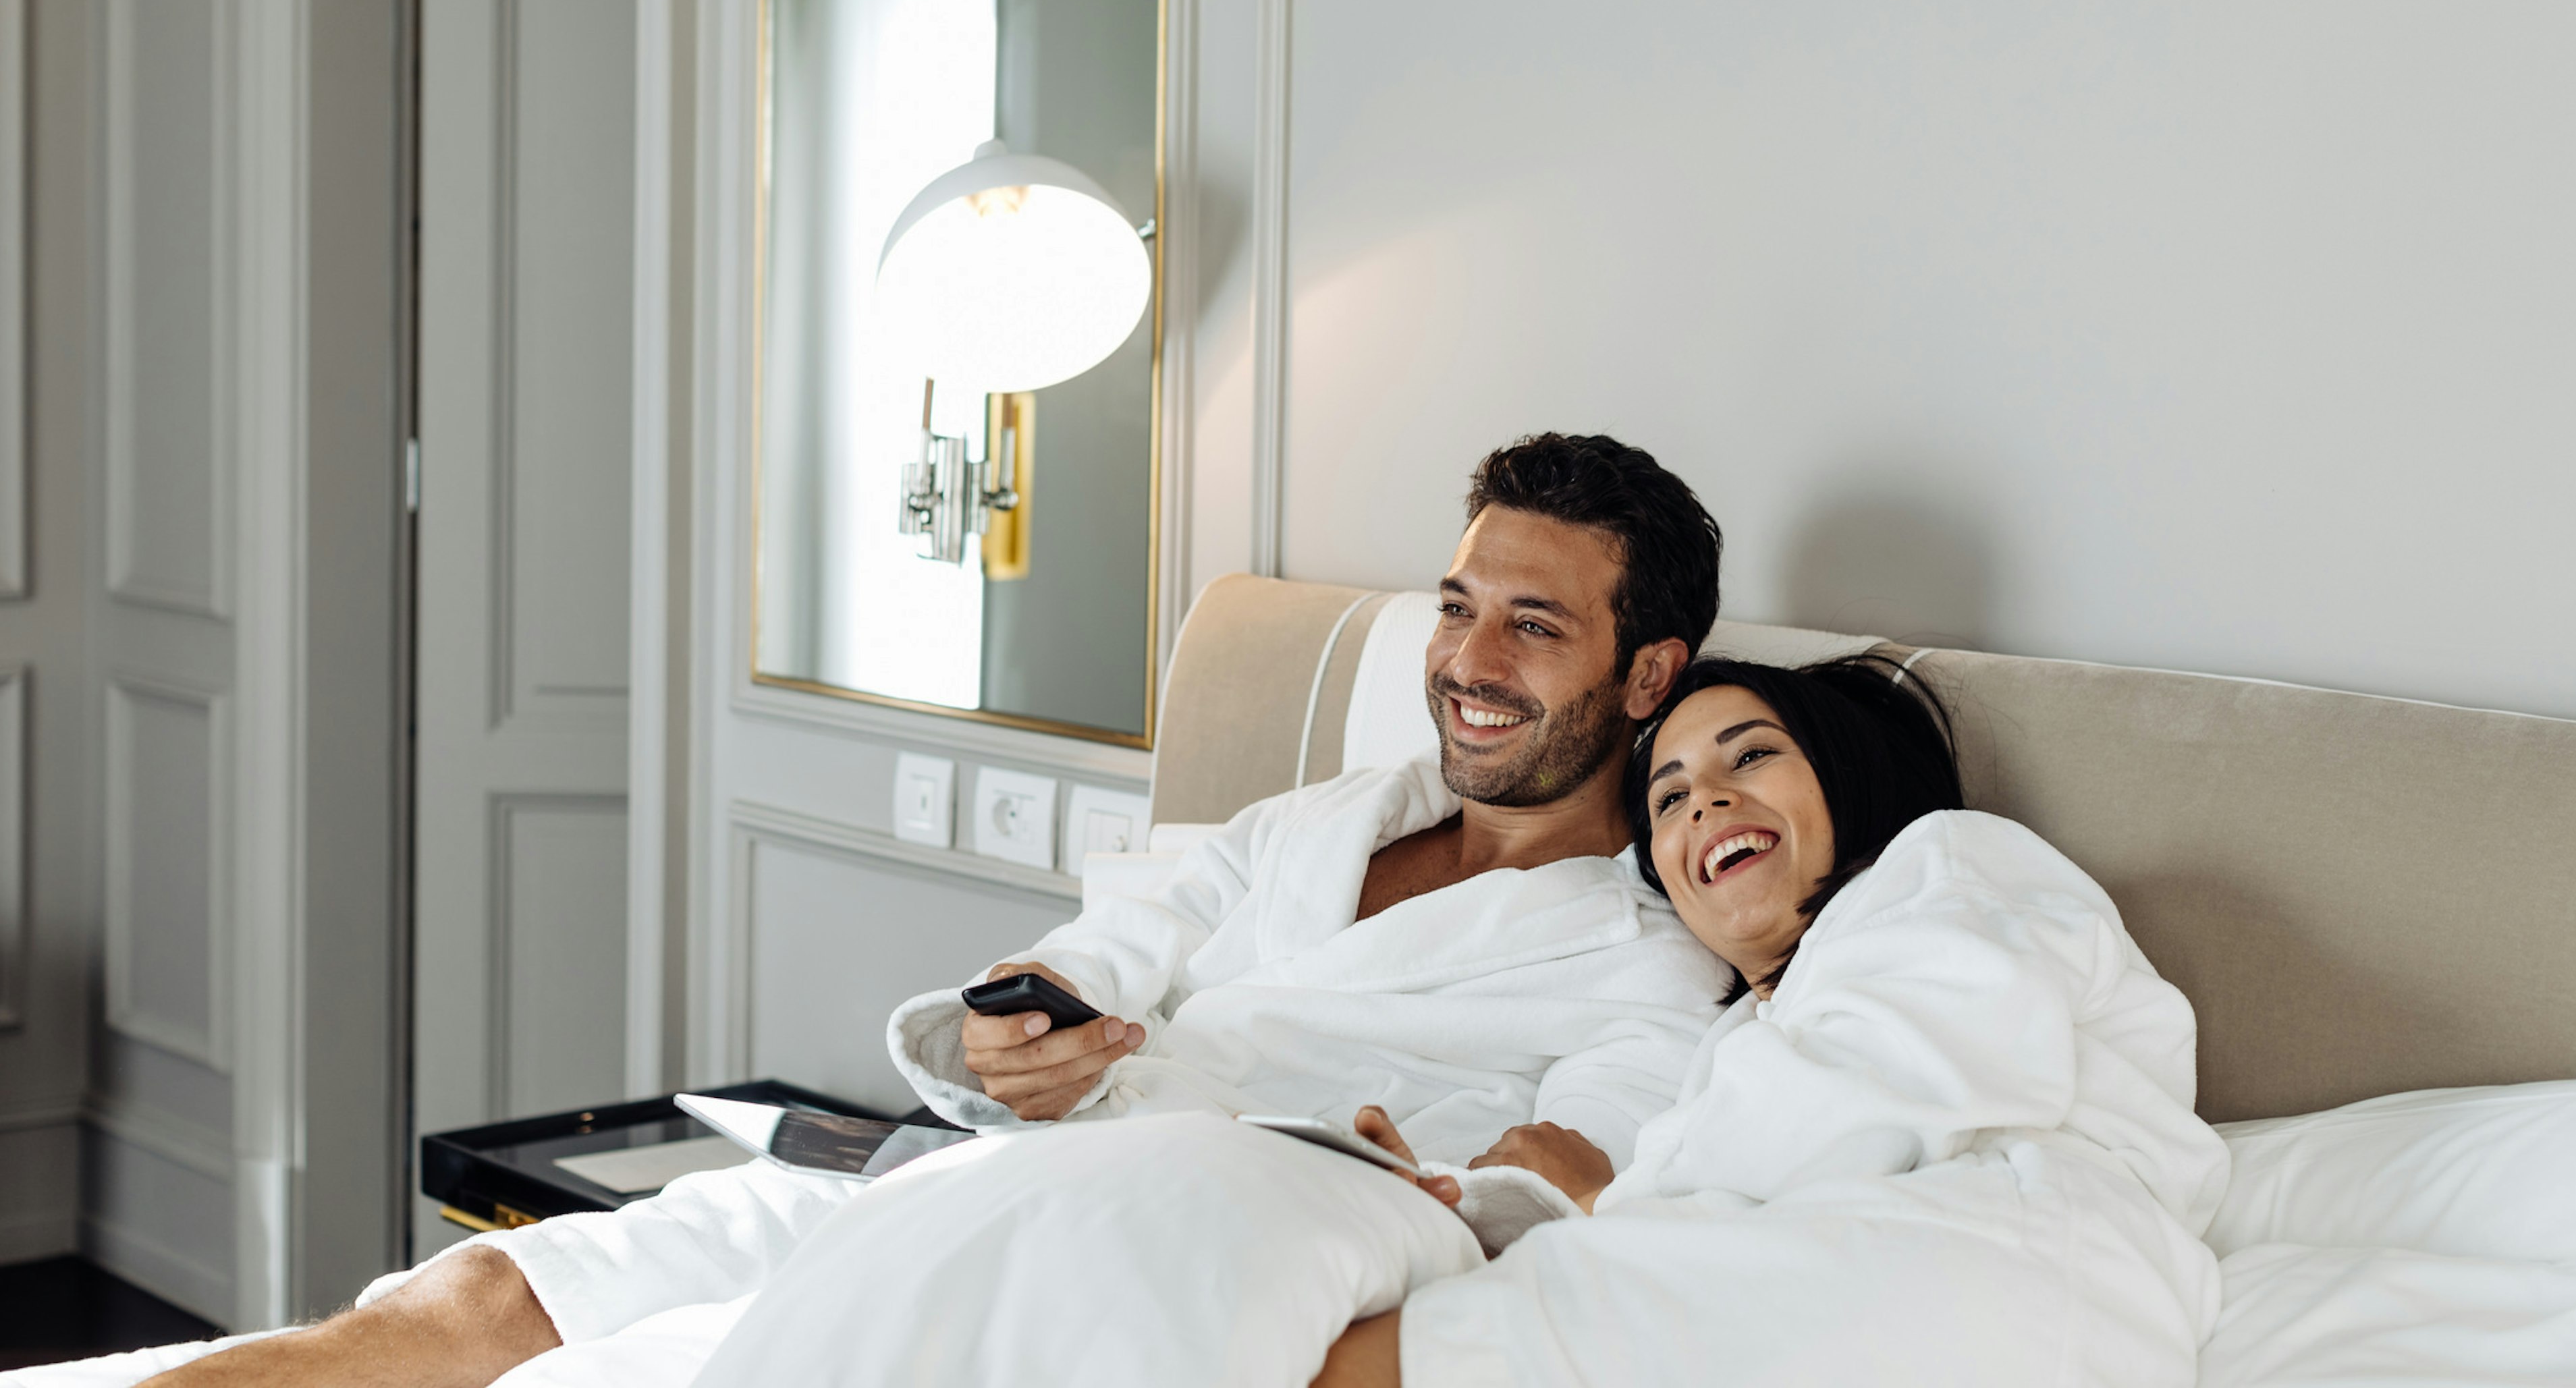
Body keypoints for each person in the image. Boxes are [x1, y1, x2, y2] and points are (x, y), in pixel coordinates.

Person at [132, 433, 1735, 1388]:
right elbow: (1088, 963)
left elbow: (1578, 1174)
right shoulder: (1320, 822)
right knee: (483, 1293)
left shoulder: (1645, 955)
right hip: (996, 1160)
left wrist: (1446, 1173)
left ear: (1649, 670)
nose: (1469, 660)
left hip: (1183, 1232)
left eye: (1535, 624)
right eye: (1459, 606)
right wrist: (1016, 1024)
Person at [1315, 654, 2230, 1387]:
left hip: (2026, 1252)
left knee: (1435, 1348)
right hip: (1859, 1261)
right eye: (1669, 799)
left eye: (1750, 756)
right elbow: (1722, 1190)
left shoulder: (1949, 864)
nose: (1706, 800)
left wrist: (1604, 1204)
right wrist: (1444, 1195)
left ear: (1845, 775)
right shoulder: (1741, 1043)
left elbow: (1876, 1099)